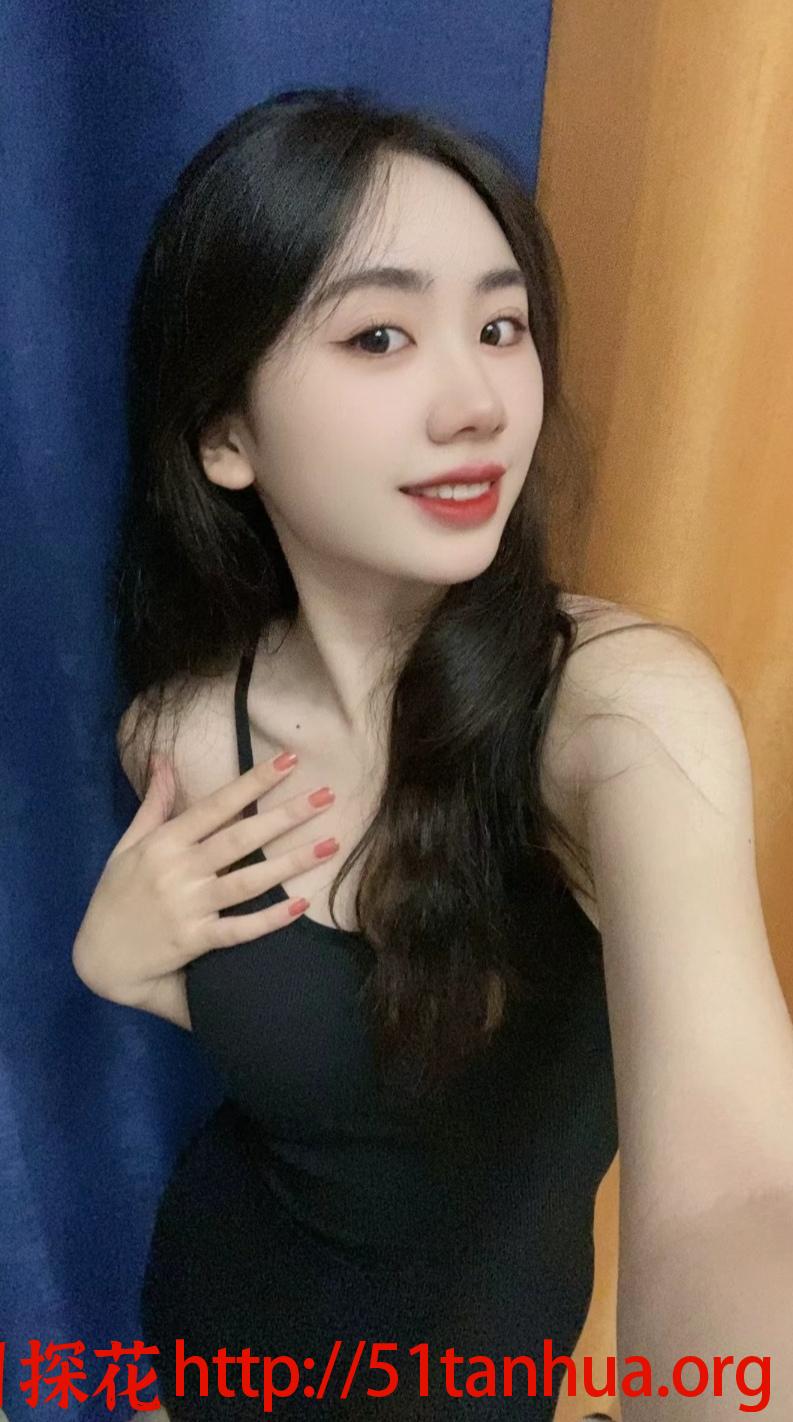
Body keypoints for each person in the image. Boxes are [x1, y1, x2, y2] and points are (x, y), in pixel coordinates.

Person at [72, 86, 793, 1420]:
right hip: (205, 1346)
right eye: (380, 335)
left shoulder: (616, 716)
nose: (478, 404)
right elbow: (326, 1070)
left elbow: (743, 1192)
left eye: (501, 327)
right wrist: (121, 970)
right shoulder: (175, 734)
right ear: (224, 435)